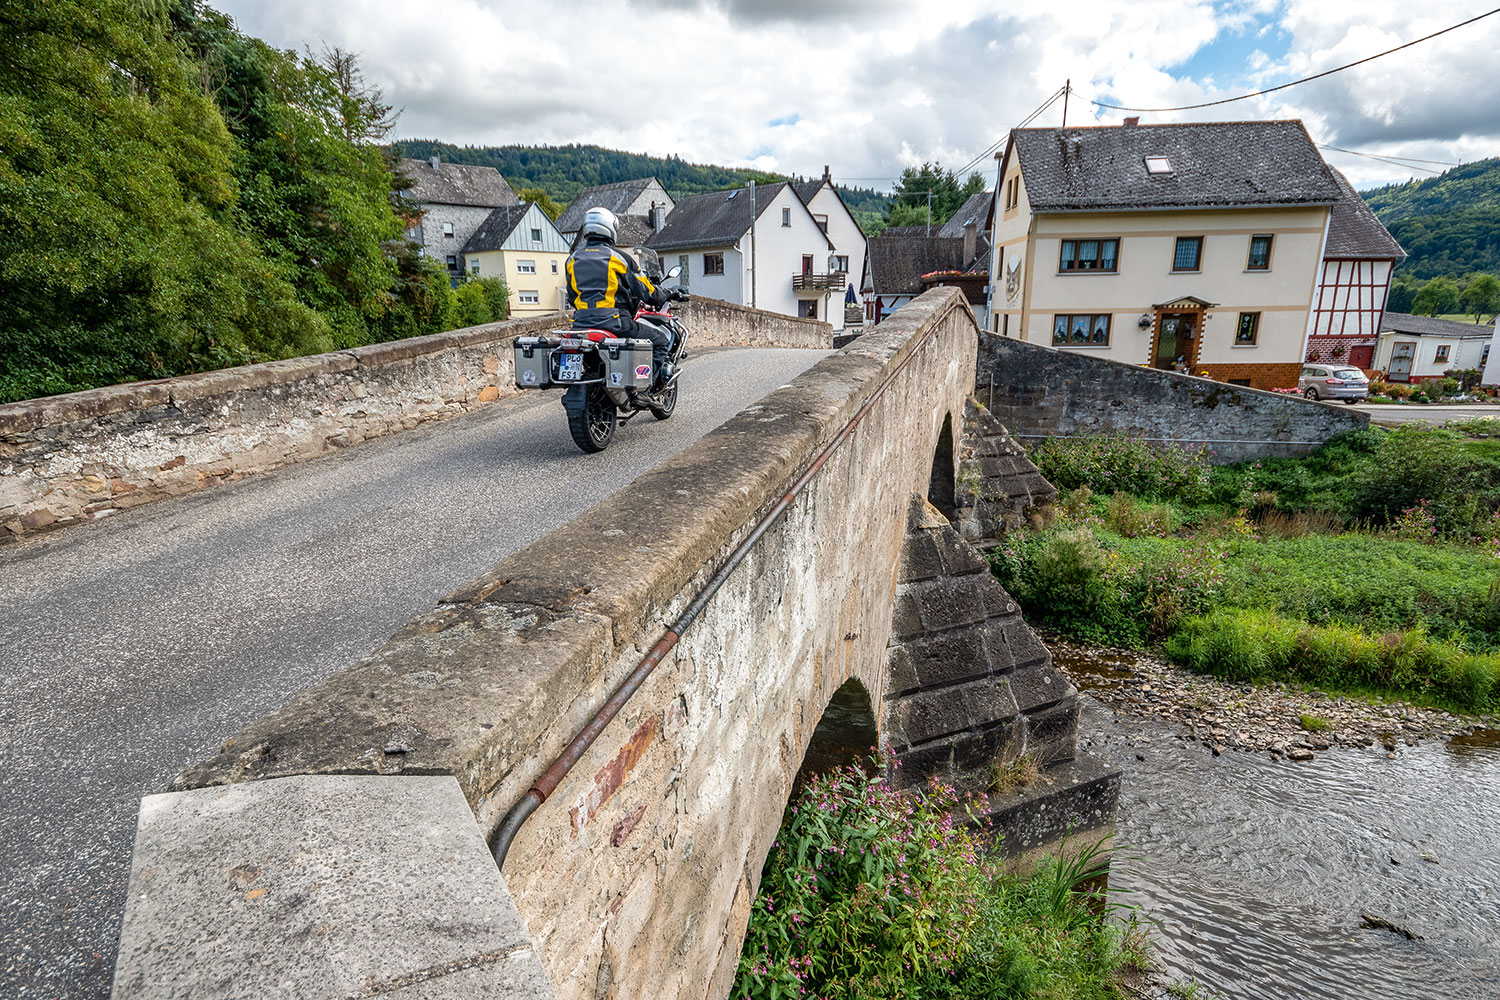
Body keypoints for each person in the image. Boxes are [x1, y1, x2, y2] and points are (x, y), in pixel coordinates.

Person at [565, 207, 686, 389]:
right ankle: (647, 388)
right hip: (614, 322)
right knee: (659, 341)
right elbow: (647, 293)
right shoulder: (619, 259)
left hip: (580, 324)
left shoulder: (572, 260)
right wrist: (667, 294)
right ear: (610, 228)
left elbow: (573, 297)